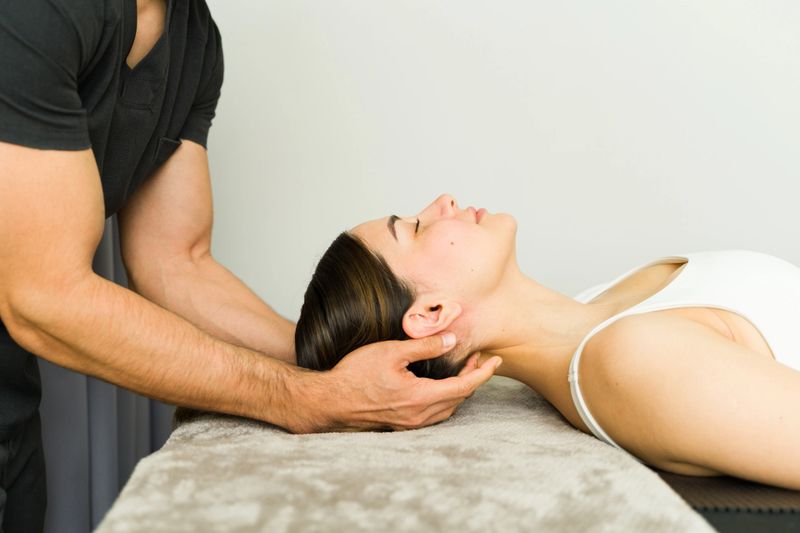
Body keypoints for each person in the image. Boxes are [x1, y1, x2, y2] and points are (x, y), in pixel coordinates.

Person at [0, 2, 498, 531]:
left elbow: (177, 262)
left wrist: (338, 362)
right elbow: (43, 296)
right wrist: (304, 399)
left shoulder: (194, 39)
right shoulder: (39, 12)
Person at [295, 193, 800, 491]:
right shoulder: (626, 360)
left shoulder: (596, 303)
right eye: (417, 227)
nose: (442, 202)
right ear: (431, 314)